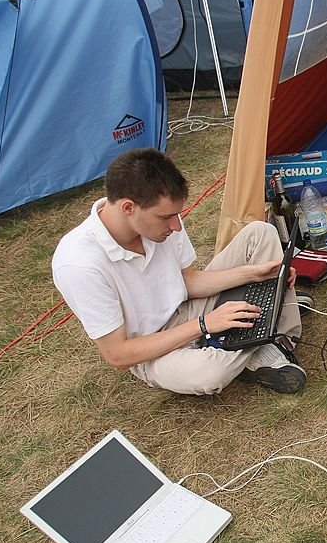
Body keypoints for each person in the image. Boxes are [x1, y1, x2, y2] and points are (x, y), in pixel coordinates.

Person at [52, 148, 305, 395]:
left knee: (261, 233)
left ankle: (267, 328)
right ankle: (263, 325)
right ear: (128, 208)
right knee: (210, 373)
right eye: (166, 217)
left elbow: (188, 281)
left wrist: (252, 275)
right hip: (153, 350)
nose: (175, 225)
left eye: (177, 215)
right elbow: (118, 355)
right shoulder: (79, 263)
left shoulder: (161, 218)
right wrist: (204, 325)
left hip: (188, 307)